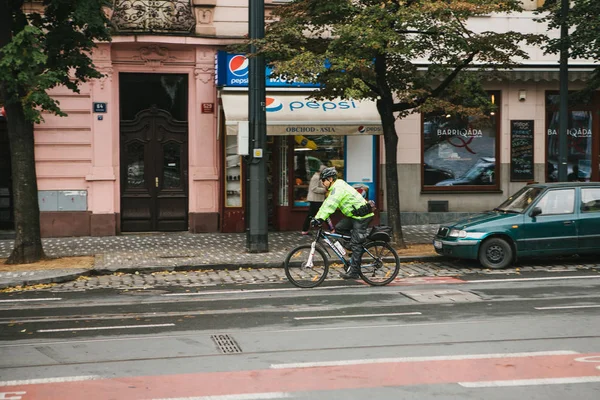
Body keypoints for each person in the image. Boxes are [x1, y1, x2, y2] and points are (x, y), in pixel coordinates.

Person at [313, 167, 375, 279]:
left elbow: (331, 205)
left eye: (323, 180)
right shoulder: (335, 188)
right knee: (339, 228)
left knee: (356, 244)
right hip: (353, 215)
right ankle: (355, 247)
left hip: (361, 216)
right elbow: (326, 204)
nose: (322, 183)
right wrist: (317, 217)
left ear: (330, 179)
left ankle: (354, 272)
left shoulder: (338, 188)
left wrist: (320, 219)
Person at [301, 165, 327, 235]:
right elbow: (314, 188)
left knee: (312, 214)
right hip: (315, 199)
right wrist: (324, 190)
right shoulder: (316, 178)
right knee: (318, 214)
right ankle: (304, 229)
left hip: (317, 199)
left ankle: (305, 229)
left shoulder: (319, 177)